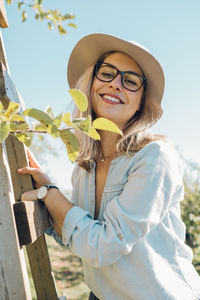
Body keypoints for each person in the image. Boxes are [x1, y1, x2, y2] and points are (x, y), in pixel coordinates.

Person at [18, 33, 200, 300]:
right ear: (90, 84)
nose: (116, 84)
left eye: (130, 80)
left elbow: (102, 248)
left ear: (141, 102)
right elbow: (77, 237)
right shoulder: (84, 169)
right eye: (107, 73)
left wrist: (51, 195)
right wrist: (46, 191)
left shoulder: (154, 157)